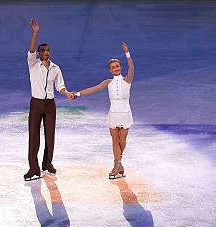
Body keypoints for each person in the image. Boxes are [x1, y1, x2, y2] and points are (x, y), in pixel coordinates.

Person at [24, 19, 76, 181]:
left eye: (48, 50)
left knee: (50, 136)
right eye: (43, 50)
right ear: (39, 54)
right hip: (36, 103)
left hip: (50, 105)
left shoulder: (56, 68)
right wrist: (35, 33)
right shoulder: (33, 64)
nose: (46, 52)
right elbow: (31, 50)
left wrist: (66, 93)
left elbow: (60, 86)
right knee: (34, 136)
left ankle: (47, 164)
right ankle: (34, 168)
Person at [74, 42, 134, 179]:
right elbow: (93, 89)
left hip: (125, 114)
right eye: (113, 67)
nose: (116, 68)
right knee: (114, 141)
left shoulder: (127, 80)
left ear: (120, 67)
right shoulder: (108, 82)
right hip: (113, 114)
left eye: (117, 66)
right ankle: (117, 165)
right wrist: (77, 94)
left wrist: (127, 53)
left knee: (122, 141)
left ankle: (119, 163)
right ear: (110, 70)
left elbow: (132, 68)